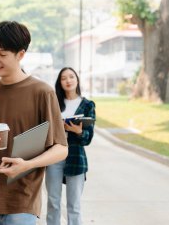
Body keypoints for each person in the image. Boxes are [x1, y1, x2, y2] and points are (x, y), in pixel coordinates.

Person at [0, 21, 68, 225]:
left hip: (23, 201)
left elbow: (61, 148)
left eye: (3, 54)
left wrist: (27, 165)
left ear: (20, 54)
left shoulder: (42, 92)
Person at [45, 67, 96, 225]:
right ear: (59, 82)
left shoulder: (87, 105)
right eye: (63, 78)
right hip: (54, 154)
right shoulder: (53, 103)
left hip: (76, 157)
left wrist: (79, 132)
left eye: (71, 77)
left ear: (77, 80)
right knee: (53, 202)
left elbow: (87, 138)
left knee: (74, 205)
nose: (68, 80)